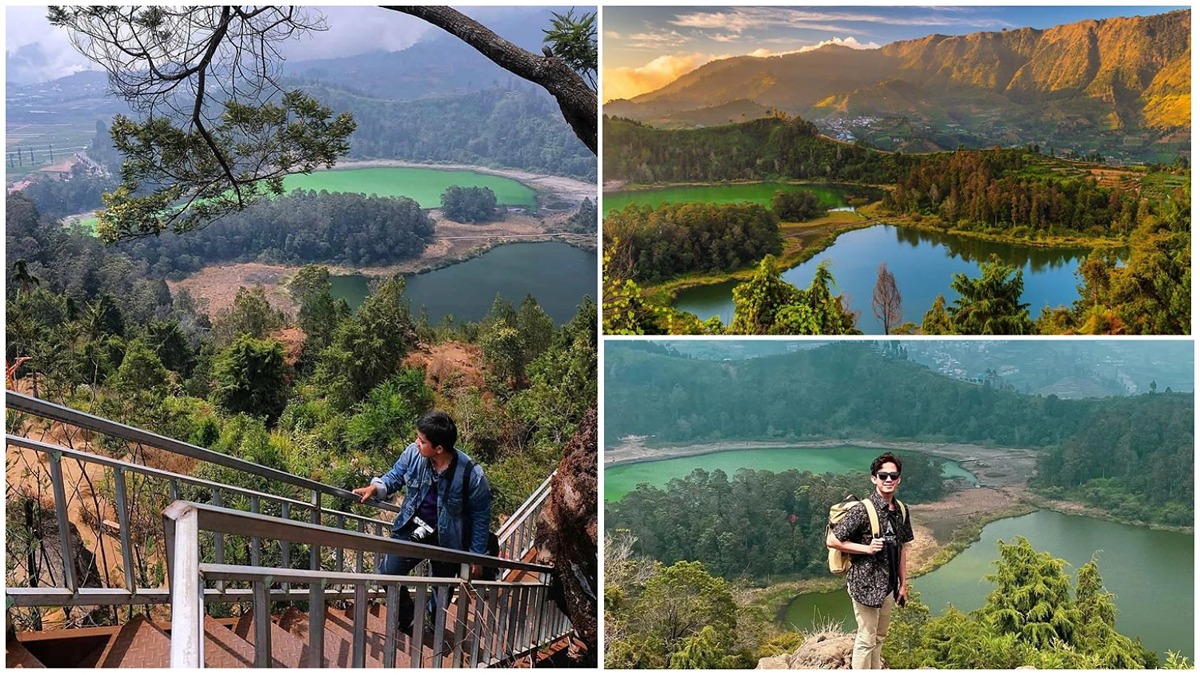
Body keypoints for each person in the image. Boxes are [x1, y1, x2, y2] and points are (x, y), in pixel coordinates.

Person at [352, 411, 492, 632]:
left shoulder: (471, 475)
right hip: (411, 526)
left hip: (447, 539)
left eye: (422, 440)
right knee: (387, 574)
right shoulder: (413, 453)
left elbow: (480, 516)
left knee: (442, 588)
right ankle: (407, 614)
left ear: (439, 448)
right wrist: (376, 487)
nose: (417, 443)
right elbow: (395, 476)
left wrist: (476, 556)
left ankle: (432, 626)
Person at [826, 452, 914, 669]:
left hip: (888, 586)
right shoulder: (862, 510)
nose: (888, 480)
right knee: (866, 639)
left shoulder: (901, 510)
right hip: (864, 585)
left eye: (893, 476)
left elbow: (902, 548)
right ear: (874, 478)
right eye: (882, 475)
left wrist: (903, 584)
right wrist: (866, 549)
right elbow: (832, 539)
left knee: (880, 637)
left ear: (899, 479)